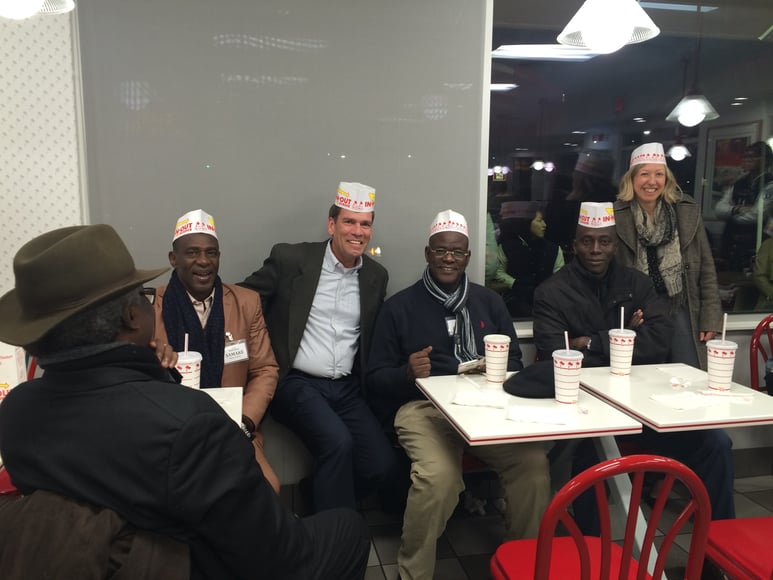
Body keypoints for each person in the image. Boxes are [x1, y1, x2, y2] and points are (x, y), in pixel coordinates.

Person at [0, 224, 370, 580]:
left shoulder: (17, 412)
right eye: (142, 296)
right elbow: (276, 557)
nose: (203, 261)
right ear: (132, 316)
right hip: (187, 563)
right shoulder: (190, 425)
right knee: (348, 528)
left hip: (109, 553)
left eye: (211, 252)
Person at [368, 209, 550, 580]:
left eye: (457, 252)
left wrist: (495, 367)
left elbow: (514, 358)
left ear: (468, 257)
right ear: (427, 253)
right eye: (441, 251)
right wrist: (406, 372)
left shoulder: (488, 302)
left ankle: (522, 564)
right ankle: (413, 573)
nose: (449, 258)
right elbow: (373, 378)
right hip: (423, 410)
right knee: (439, 478)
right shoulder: (399, 307)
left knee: (532, 466)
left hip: (485, 406)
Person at [533, 202, 735, 534]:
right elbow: (556, 351)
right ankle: (594, 553)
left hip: (645, 406)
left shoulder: (637, 283)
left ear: (615, 243)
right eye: (587, 241)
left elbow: (659, 341)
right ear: (574, 244)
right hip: (587, 410)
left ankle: (718, 546)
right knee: (591, 456)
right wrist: (627, 337)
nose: (595, 249)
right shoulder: (552, 292)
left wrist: (591, 342)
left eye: (604, 241)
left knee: (717, 443)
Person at [239, 181, 397, 513]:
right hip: (297, 382)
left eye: (365, 223)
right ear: (331, 225)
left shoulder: (375, 276)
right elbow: (242, 300)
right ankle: (331, 540)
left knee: (381, 464)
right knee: (337, 444)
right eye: (349, 222)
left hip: (347, 389)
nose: (358, 231)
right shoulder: (291, 259)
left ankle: (317, 494)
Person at [153, 209, 281, 493]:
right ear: (174, 259)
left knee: (267, 489)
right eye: (192, 253)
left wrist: (245, 420)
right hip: (172, 432)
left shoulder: (246, 303)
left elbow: (265, 369)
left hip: (234, 428)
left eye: (211, 253)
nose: (203, 261)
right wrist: (155, 362)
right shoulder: (151, 308)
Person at [615, 142, 723, 370]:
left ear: (667, 179)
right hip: (639, 311)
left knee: (689, 375)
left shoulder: (686, 210)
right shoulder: (617, 215)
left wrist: (710, 317)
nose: (652, 182)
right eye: (644, 174)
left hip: (680, 305)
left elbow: (706, 268)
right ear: (631, 178)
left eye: (659, 174)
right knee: (642, 379)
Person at [494, 202, 564, 317]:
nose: (544, 225)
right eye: (539, 221)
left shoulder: (554, 249)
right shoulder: (507, 247)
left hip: (547, 305)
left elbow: (560, 275)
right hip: (514, 305)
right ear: (527, 223)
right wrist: (514, 283)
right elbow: (498, 271)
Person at [716, 141, 773, 271]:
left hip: (756, 243)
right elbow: (719, 210)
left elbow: (757, 216)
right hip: (731, 244)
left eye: (753, 156)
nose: (748, 159)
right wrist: (737, 209)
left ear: (766, 160)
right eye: (746, 156)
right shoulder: (739, 182)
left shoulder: (770, 184)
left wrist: (729, 214)